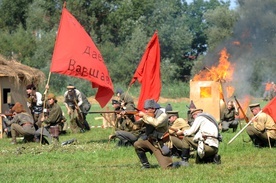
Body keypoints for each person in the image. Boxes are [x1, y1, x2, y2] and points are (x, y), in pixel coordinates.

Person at [134, 99, 174, 169]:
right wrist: (127, 117)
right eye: (145, 109)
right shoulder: (147, 116)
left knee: (167, 168)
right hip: (150, 141)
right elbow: (135, 127)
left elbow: (156, 123)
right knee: (137, 144)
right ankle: (145, 165)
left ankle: (177, 162)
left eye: (147, 109)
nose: (145, 111)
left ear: (153, 109)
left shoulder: (163, 115)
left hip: (160, 144)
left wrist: (144, 116)